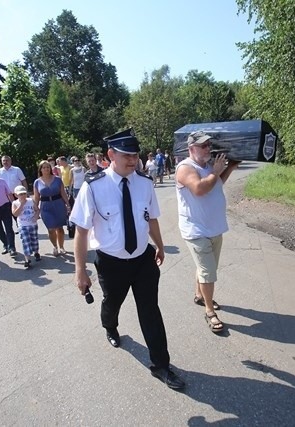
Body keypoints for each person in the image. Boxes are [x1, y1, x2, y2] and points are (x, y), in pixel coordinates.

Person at [70, 129, 185, 390]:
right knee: (113, 303)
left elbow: (151, 217)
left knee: (150, 311)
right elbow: (81, 230)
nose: (133, 161)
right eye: (126, 156)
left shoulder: (144, 183)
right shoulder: (94, 186)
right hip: (111, 263)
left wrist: (160, 245)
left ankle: (161, 366)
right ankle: (109, 326)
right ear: (111, 155)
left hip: (142, 260)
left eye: (135, 155)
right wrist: (80, 270)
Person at [175, 131, 241, 334]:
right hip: (196, 230)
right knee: (208, 272)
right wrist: (216, 171)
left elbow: (217, 184)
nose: (207, 149)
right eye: (203, 146)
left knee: (206, 268)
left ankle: (199, 294)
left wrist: (228, 168)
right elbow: (200, 189)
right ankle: (209, 310)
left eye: (208, 145)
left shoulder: (208, 167)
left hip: (213, 227)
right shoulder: (186, 168)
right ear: (191, 148)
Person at [33, 160, 71, 256]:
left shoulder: (57, 179)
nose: (46, 169)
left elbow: (63, 193)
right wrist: (35, 208)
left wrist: (68, 204)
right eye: (44, 167)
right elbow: (36, 197)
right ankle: (55, 246)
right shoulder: (37, 182)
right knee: (50, 229)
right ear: (40, 169)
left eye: (47, 167)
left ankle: (61, 246)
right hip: (45, 206)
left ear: (50, 168)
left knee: (59, 228)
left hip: (58, 204)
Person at [12, 185, 41, 269]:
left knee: (34, 239)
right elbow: (15, 214)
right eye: (20, 194)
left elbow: (37, 209)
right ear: (16, 195)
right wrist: (21, 205)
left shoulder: (30, 201)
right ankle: (27, 259)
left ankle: (36, 252)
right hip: (23, 225)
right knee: (26, 241)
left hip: (32, 224)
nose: (23, 195)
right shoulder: (15, 203)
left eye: (24, 193)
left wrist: (36, 216)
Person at [0, 155, 27, 230]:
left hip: (17, 194)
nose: (5, 162)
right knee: (11, 211)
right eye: (4, 161)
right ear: (2, 162)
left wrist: (25, 192)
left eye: (7, 160)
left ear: (10, 161)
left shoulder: (16, 169)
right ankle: (18, 227)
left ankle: (23, 225)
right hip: (6, 195)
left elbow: (23, 181)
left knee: (21, 209)